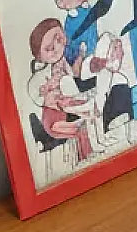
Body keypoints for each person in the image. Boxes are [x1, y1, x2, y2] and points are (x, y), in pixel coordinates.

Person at [28, 18, 93, 162]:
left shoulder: (62, 62)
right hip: (53, 119)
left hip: (65, 109)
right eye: (49, 48)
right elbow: (41, 95)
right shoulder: (42, 74)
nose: (56, 48)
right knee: (79, 128)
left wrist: (81, 56)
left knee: (84, 123)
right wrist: (50, 88)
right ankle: (86, 159)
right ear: (39, 56)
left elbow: (74, 74)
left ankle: (88, 158)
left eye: (59, 39)